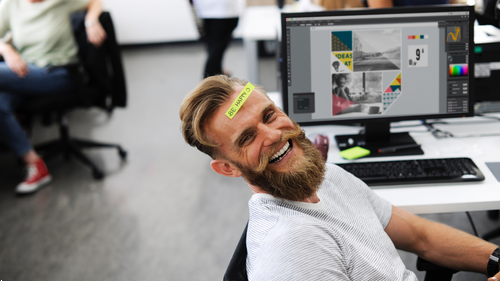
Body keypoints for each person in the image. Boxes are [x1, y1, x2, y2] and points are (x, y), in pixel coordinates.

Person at [180, 75, 500, 280]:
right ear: (228, 168)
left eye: (269, 115)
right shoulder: (292, 250)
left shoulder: (325, 175)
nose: (274, 135)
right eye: (247, 138)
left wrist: (496, 258)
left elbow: (420, 236)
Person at [0, 0, 106, 194]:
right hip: (26, 73)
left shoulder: (60, 1)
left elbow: (95, 1)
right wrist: (6, 49)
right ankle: (35, 164)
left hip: (58, 73)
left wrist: (91, 20)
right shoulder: (11, 5)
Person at [191, 0, 242, 78]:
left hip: (205, 10)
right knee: (216, 49)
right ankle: (209, 80)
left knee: (213, 48)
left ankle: (217, 73)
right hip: (224, 11)